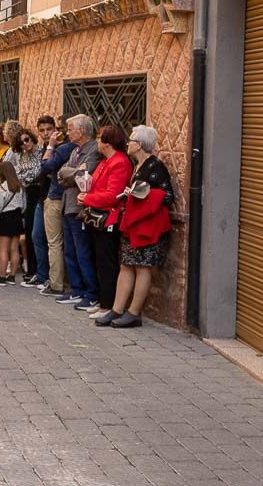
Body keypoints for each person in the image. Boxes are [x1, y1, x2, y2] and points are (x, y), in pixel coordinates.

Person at [105, 126, 175, 328]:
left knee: (143, 267)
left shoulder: (155, 167)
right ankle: (117, 309)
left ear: (140, 145)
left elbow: (167, 196)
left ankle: (134, 312)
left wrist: (141, 194)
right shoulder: (137, 166)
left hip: (147, 227)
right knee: (126, 265)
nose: (128, 143)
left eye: (132, 140)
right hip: (133, 224)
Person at [76, 125, 132, 322]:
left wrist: (87, 198)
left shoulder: (119, 163)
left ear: (107, 143)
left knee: (107, 264)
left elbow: (112, 196)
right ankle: (103, 301)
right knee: (100, 261)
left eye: (100, 138)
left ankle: (108, 304)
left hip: (109, 218)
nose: (97, 142)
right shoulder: (105, 162)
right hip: (98, 217)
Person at [57, 114, 103, 311]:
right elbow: (61, 173)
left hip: (80, 207)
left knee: (82, 251)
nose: (67, 133)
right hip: (68, 204)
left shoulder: (93, 150)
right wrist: (73, 172)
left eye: (70, 129)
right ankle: (76, 289)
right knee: (70, 251)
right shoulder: (76, 151)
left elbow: (86, 175)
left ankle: (91, 293)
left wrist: (73, 172)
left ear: (81, 130)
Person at [38, 117, 75, 297]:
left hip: (56, 198)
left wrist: (51, 146)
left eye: (56, 129)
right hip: (67, 199)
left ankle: (56, 283)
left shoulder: (63, 148)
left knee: (54, 243)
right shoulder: (78, 148)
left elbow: (45, 166)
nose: (51, 133)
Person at [5, 129, 43, 283]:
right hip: (26, 195)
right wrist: (25, 176)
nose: (25, 144)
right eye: (21, 143)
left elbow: (36, 173)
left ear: (32, 138)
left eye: (26, 140)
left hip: (37, 192)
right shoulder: (21, 156)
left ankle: (37, 271)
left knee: (36, 234)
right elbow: (19, 176)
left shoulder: (41, 151)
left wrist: (25, 176)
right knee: (28, 232)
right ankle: (31, 270)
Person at [28, 116, 57, 289]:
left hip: (53, 197)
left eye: (49, 129)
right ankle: (41, 274)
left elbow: (48, 169)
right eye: (42, 130)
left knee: (51, 241)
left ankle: (48, 277)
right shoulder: (42, 149)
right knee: (36, 236)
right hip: (42, 197)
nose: (46, 133)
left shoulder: (57, 147)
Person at [0, 162, 27, 285]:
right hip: (17, 218)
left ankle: (2, 276)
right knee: (14, 249)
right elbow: (24, 206)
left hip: (5, 218)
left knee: (3, 249)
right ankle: (12, 276)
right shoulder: (20, 188)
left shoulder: (2, 189)